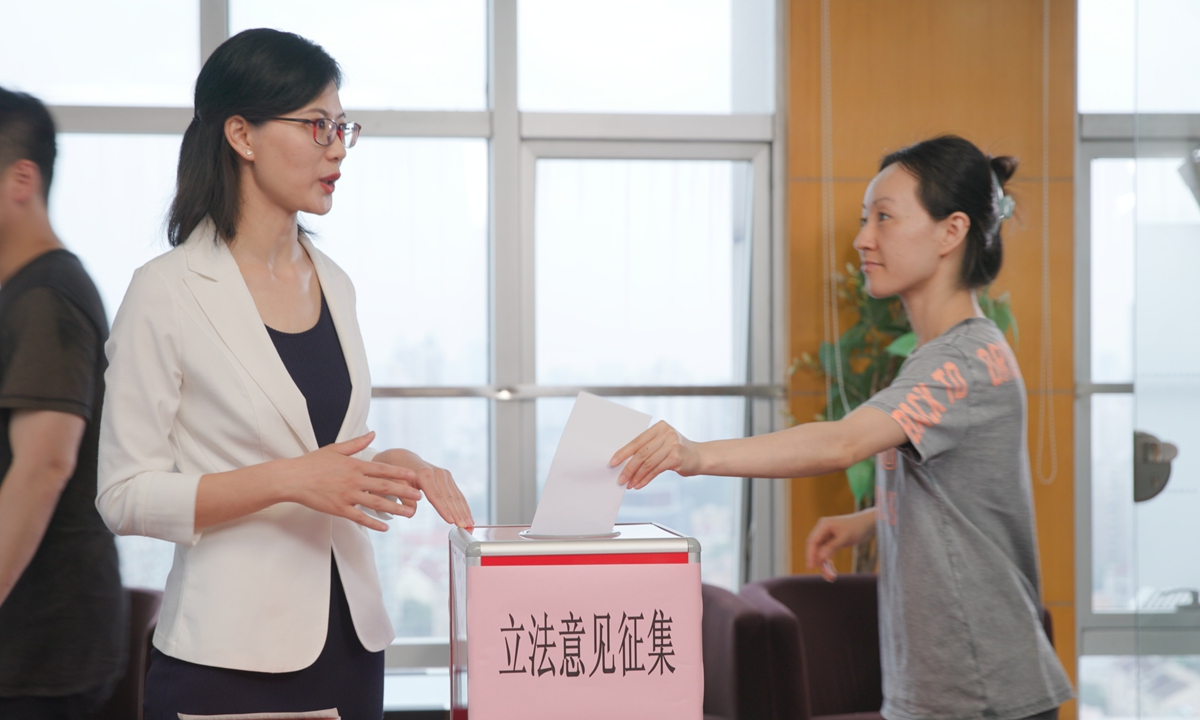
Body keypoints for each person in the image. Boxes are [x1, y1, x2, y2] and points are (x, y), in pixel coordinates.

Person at [612, 135, 1074, 720]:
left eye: (884, 217)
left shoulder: (959, 362)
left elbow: (843, 440)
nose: (863, 239)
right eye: (865, 218)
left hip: (980, 693)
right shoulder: (950, 354)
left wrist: (696, 454)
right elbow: (968, 499)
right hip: (949, 689)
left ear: (951, 231)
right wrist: (872, 519)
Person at [96, 29, 474, 720]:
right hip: (229, 657)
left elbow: (327, 454)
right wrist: (290, 480)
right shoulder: (166, 290)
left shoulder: (335, 282)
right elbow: (124, 495)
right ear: (241, 134)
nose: (337, 146)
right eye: (316, 125)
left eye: (342, 127)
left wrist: (388, 465)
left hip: (352, 643)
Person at [0, 88, 127, 718]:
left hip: (41, 656)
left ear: (22, 178)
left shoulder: (48, 296)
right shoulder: (18, 291)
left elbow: (43, 468)